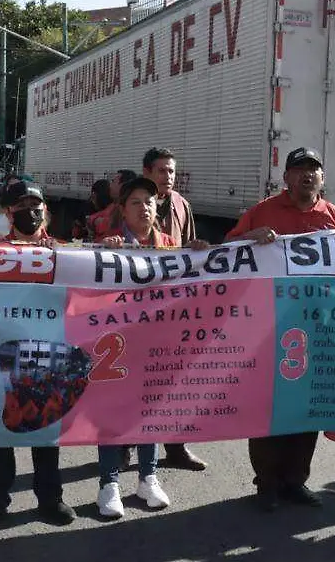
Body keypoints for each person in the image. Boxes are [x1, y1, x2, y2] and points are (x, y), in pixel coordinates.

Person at [226, 147, 335, 511]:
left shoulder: (333, 216)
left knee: (306, 408)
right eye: (299, 169)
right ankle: (266, 484)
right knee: (268, 407)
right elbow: (225, 250)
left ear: (322, 179)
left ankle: (295, 482)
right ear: (287, 179)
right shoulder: (263, 212)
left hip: (316, 330)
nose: (307, 175)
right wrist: (250, 238)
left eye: (313, 169)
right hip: (269, 327)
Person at [94, 176, 207, 517]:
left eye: (149, 201)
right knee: (114, 412)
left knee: (152, 410)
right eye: (135, 202)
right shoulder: (107, 244)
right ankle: (109, 484)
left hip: (158, 343)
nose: (144, 207)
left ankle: (148, 478)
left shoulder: (172, 245)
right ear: (122, 210)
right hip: (118, 342)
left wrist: (201, 254)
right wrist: (104, 251)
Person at [0, 181, 75, 527]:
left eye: (38, 205)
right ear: (7, 212)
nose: (32, 211)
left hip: (45, 353)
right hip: (0, 353)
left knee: (45, 430)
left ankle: (50, 499)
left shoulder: (63, 252)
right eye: (23, 204)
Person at [141, 148, 204, 471]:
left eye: (172, 171)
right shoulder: (132, 203)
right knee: (135, 379)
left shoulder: (182, 205)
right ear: (147, 171)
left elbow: (190, 250)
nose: (168, 177)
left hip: (173, 305)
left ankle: (176, 447)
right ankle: (123, 445)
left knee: (176, 381)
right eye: (162, 170)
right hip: (137, 308)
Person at [89, 169, 137, 240]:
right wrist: (94, 220)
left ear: (122, 185)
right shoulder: (115, 204)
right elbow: (95, 218)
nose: (110, 186)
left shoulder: (129, 207)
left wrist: (97, 222)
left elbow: (107, 225)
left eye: (113, 182)